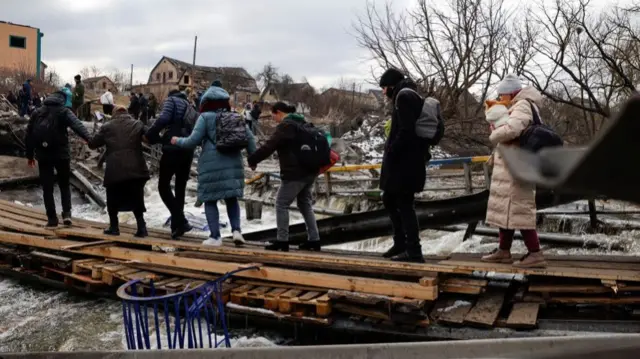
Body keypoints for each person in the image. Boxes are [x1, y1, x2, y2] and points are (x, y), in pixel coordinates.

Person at [170, 86, 256, 246]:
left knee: (210, 200)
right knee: (231, 198)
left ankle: (215, 237)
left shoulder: (205, 117)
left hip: (211, 164)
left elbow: (192, 141)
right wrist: (253, 159)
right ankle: (237, 231)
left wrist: (177, 140)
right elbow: (250, 138)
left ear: (206, 102)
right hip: (233, 163)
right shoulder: (235, 116)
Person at [481, 74, 545, 268]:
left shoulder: (523, 105)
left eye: (502, 96)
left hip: (517, 166)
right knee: (506, 209)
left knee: (520, 209)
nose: (500, 100)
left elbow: (512, 130)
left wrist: (494, 134)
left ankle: (535, 253)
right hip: (512, 165)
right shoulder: (519, 105)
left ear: (510, 94)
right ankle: (503, 250)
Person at [248, 102, 326, 252]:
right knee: (305, 204)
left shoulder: (286, 126)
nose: (274, 120)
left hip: (294, 173)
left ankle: (282, 241)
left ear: (278, 112)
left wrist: (253, 160)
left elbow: (270, 146)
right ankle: (314, 240)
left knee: (281, 203)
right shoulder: (302, 123)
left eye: (273, 116)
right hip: (310, 171)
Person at [377, 68, 430, 263]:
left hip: (405, 163)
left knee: (405, 205)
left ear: (390, 85)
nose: (383, 92)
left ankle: (414, 251)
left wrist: (392, 150)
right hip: (406, 162)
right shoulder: (408, 94)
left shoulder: (404, 97)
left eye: (383, 88)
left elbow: (407, 131)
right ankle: (401, 243)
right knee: (389, 199)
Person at [25, 91, 91, 227]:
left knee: (47, 188)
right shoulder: (64, 111)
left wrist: (30, 156)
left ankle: (52, 219)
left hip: (43, 155)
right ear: (62, 99)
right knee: (64, 185)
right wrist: (90, 140)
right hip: (61, 155)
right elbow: (77, 125)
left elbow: (29, 135)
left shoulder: (37, 112)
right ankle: (67, 214)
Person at [89, 106, 150, 237]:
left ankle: (114, 227)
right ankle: (142, 228)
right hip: (137, 169)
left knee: (112, 198)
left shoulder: (107, 126)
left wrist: (87, 138)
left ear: (113, 114)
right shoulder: (137, 124)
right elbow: (150, 136)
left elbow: (93, 143)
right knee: (137, 198)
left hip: (115, 170)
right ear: (127, 113)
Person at [145, 89, 195, 239]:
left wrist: (150, 135)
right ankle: (177, 228)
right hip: (187, 150)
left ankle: (181, 220)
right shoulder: (190, 105)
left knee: (163, 186)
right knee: (180, 188)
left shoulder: (171, 100)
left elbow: (163, 119)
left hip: (172, 149)